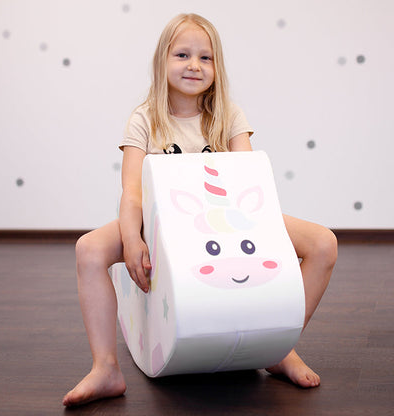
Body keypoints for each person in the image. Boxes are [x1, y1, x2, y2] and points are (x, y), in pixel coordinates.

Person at [62, 13, 338, 407]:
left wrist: (257, 230)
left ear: (217, 67)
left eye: (205, 58)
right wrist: (131, 239)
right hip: (161, 221)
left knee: (323, 243)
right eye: (182, 54)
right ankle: (105, 367)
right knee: (88, 249)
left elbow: (248, 178)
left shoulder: (228, 115)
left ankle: (280, 347)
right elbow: (133, 192)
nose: (193, 65)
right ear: (162, 61)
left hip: (224, 222)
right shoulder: (145, 119)